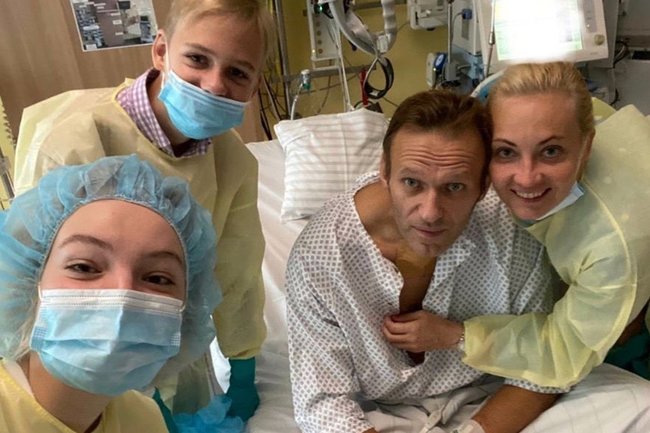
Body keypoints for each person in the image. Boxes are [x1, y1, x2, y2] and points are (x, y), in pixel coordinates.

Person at [285, 89, 650, 433]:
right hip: (377, 412)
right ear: (385, 171)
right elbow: (322, 403)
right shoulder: (321, 256)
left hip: (494, 394)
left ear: (483, 186)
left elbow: (541, 368)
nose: (430, 213)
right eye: (411, 183)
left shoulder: (510, 227)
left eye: (454, 187)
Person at [12, 0, 276, 419]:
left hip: (165, 340)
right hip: (71, 354)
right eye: (197, 59)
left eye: (238, 73)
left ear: (255, 86)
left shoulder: (233, 163)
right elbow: (30, 278)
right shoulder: (75, 140)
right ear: (161, 50)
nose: (213, 85)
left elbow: (237, 271)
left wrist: (242, 365)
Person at [423, 62, 650, 387]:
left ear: (586, 146)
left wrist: (458, 336)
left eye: (551, 151)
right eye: (505, 152)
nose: (527, 178)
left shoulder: (614, 247)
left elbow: (564, 352)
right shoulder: (561, 108)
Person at [0, 155, 244, 432]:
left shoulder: (145, 419)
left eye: (157, 278)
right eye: (83, 267)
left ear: (187, 309)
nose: (123, 295)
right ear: (29, 281)